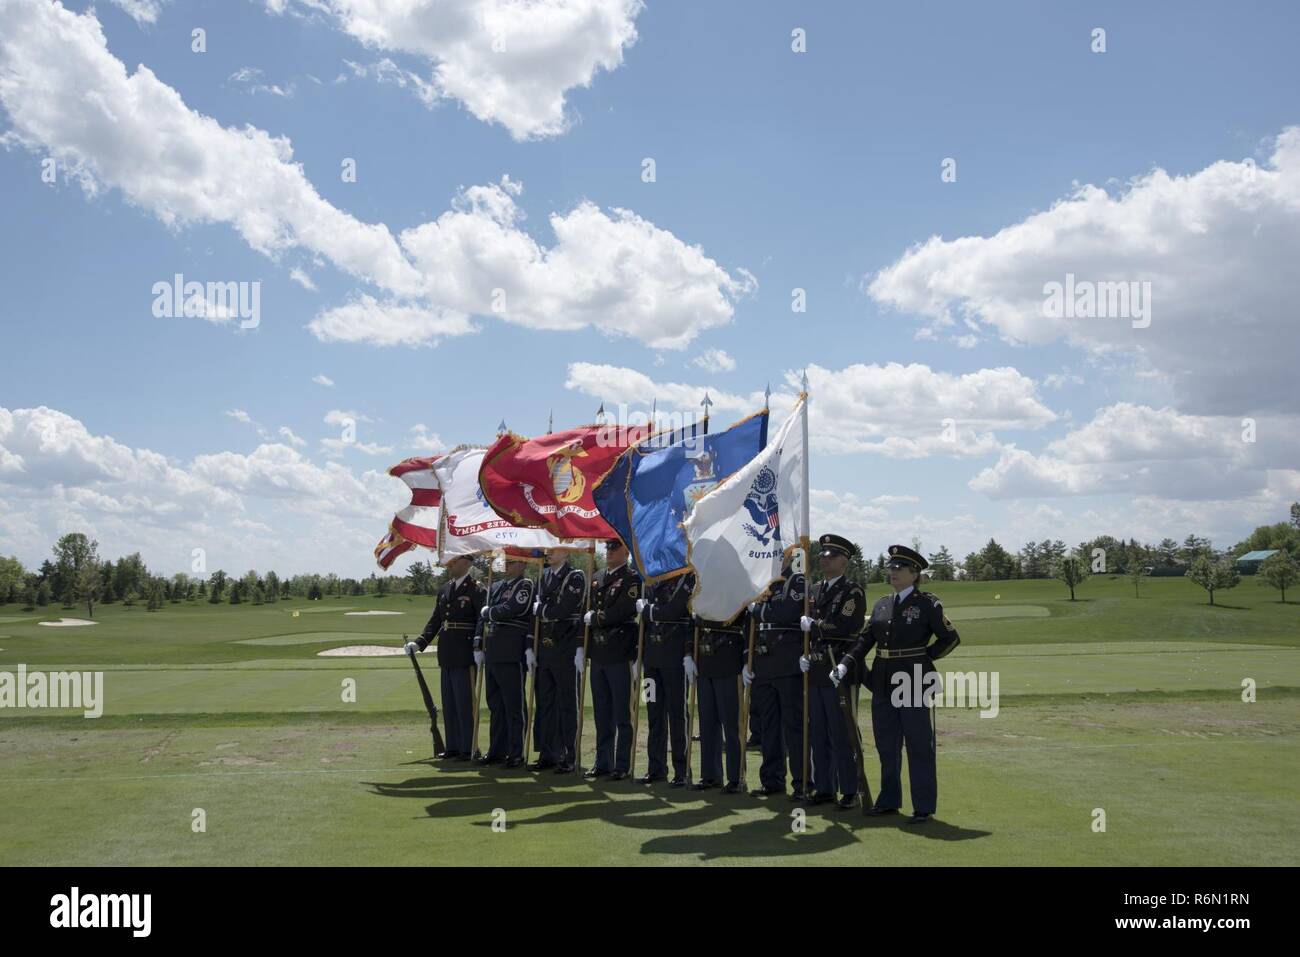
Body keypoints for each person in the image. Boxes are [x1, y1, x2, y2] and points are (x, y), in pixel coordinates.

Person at [832, 544, 960, 822]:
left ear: (914, 574)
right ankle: (889, 800)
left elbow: (950, 638)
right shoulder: (882, 605)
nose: (892, 572)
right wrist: (846, 662)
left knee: (918, 745)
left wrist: (925, 659)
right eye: (890, 567)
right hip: (883, 682)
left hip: (913, 682)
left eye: (899, 568)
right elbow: (866, 640)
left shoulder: (927, 604)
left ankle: (923, 806)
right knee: (887, 745)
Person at [798, 534, 866, 809]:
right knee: (818, 733)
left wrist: (814, 626)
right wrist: (804, 654)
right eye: (823, 554)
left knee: (841, 732)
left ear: (844, 561)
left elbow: (846, 626)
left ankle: (849, 790)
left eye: (831, 555)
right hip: (816, 668)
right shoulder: (814, 590)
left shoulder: (852, 592)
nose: (824, 558)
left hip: (838, 667)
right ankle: (825, 787)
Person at [403, 554, 483, 760]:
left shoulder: (477, 589)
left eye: (454, 561)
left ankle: (469, 747)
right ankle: (453, 746)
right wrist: (420, 642)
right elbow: (436, 620)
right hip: (447, 651)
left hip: (465, 651)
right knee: (449, 703)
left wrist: (478, 644)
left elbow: (481, 620)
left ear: (466, 563)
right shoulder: (445, 589)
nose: (450, 564)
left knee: (465, 703)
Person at [746, 554, 806, 800]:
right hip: (763, 663)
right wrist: (746, 659)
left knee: (793, 726)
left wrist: (757, 609)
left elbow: (785, 612)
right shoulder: (762, 583)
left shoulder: (797, 582)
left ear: (788, 557)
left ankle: (802, 782)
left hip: (787, 663)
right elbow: (748, 626)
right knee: (768, 726)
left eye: (778, 554)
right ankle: (772, 780)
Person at [583, 539, 641, 781]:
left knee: (621, 713)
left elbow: (623, 610)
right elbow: (587, 608)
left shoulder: (632, 578)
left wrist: (596, 618)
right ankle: (603, 761)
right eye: (607, 548)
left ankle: (622, 764)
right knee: (601, 712)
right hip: (598, 652)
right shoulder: (596, 577)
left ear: (625, 551)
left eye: (613, 548)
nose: (608, 552)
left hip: (619, 650)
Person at [474, 555, 534, 768]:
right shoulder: (497, 586)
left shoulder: (525, 585)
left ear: (523, 564)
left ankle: (516, 752)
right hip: (493, 650)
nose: (507, 564)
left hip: (511, 650)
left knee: (513, 705)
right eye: (506, 561)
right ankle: (497, 750)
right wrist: (477, 643)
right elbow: (483, 616)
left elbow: (514, 609)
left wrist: (490, 612)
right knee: (495, 704)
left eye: (512, 561)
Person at [635, 572, 694, 786]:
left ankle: (682, 770)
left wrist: (648, 611)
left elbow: (675, 610)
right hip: (651, 660)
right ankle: (656, 768)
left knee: (677, 715)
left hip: (674, 658)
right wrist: (637, 656)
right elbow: (644, 624)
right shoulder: (651, 579)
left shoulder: (688, 579)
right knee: (653, 713)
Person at [531, 547, 586, 773]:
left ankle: (568, 754)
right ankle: (548, 753)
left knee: (566, 704)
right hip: (545, 646)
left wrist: (542, 610)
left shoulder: (575, 576)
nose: (549, 552)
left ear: (567, 553)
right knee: (545, 703)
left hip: (565, 644)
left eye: (554, 549)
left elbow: (564, 609)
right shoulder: (543, 577)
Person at [691, 611, 746, 793]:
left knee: (731, 725)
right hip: (706, 661)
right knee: (707, 724)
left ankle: (736, 778)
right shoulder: (705, 590)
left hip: (728, 662)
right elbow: (696, 624)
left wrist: (746, 661)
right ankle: (711, 775)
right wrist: (689, 654)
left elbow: (737, 620)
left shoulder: (735, 590)